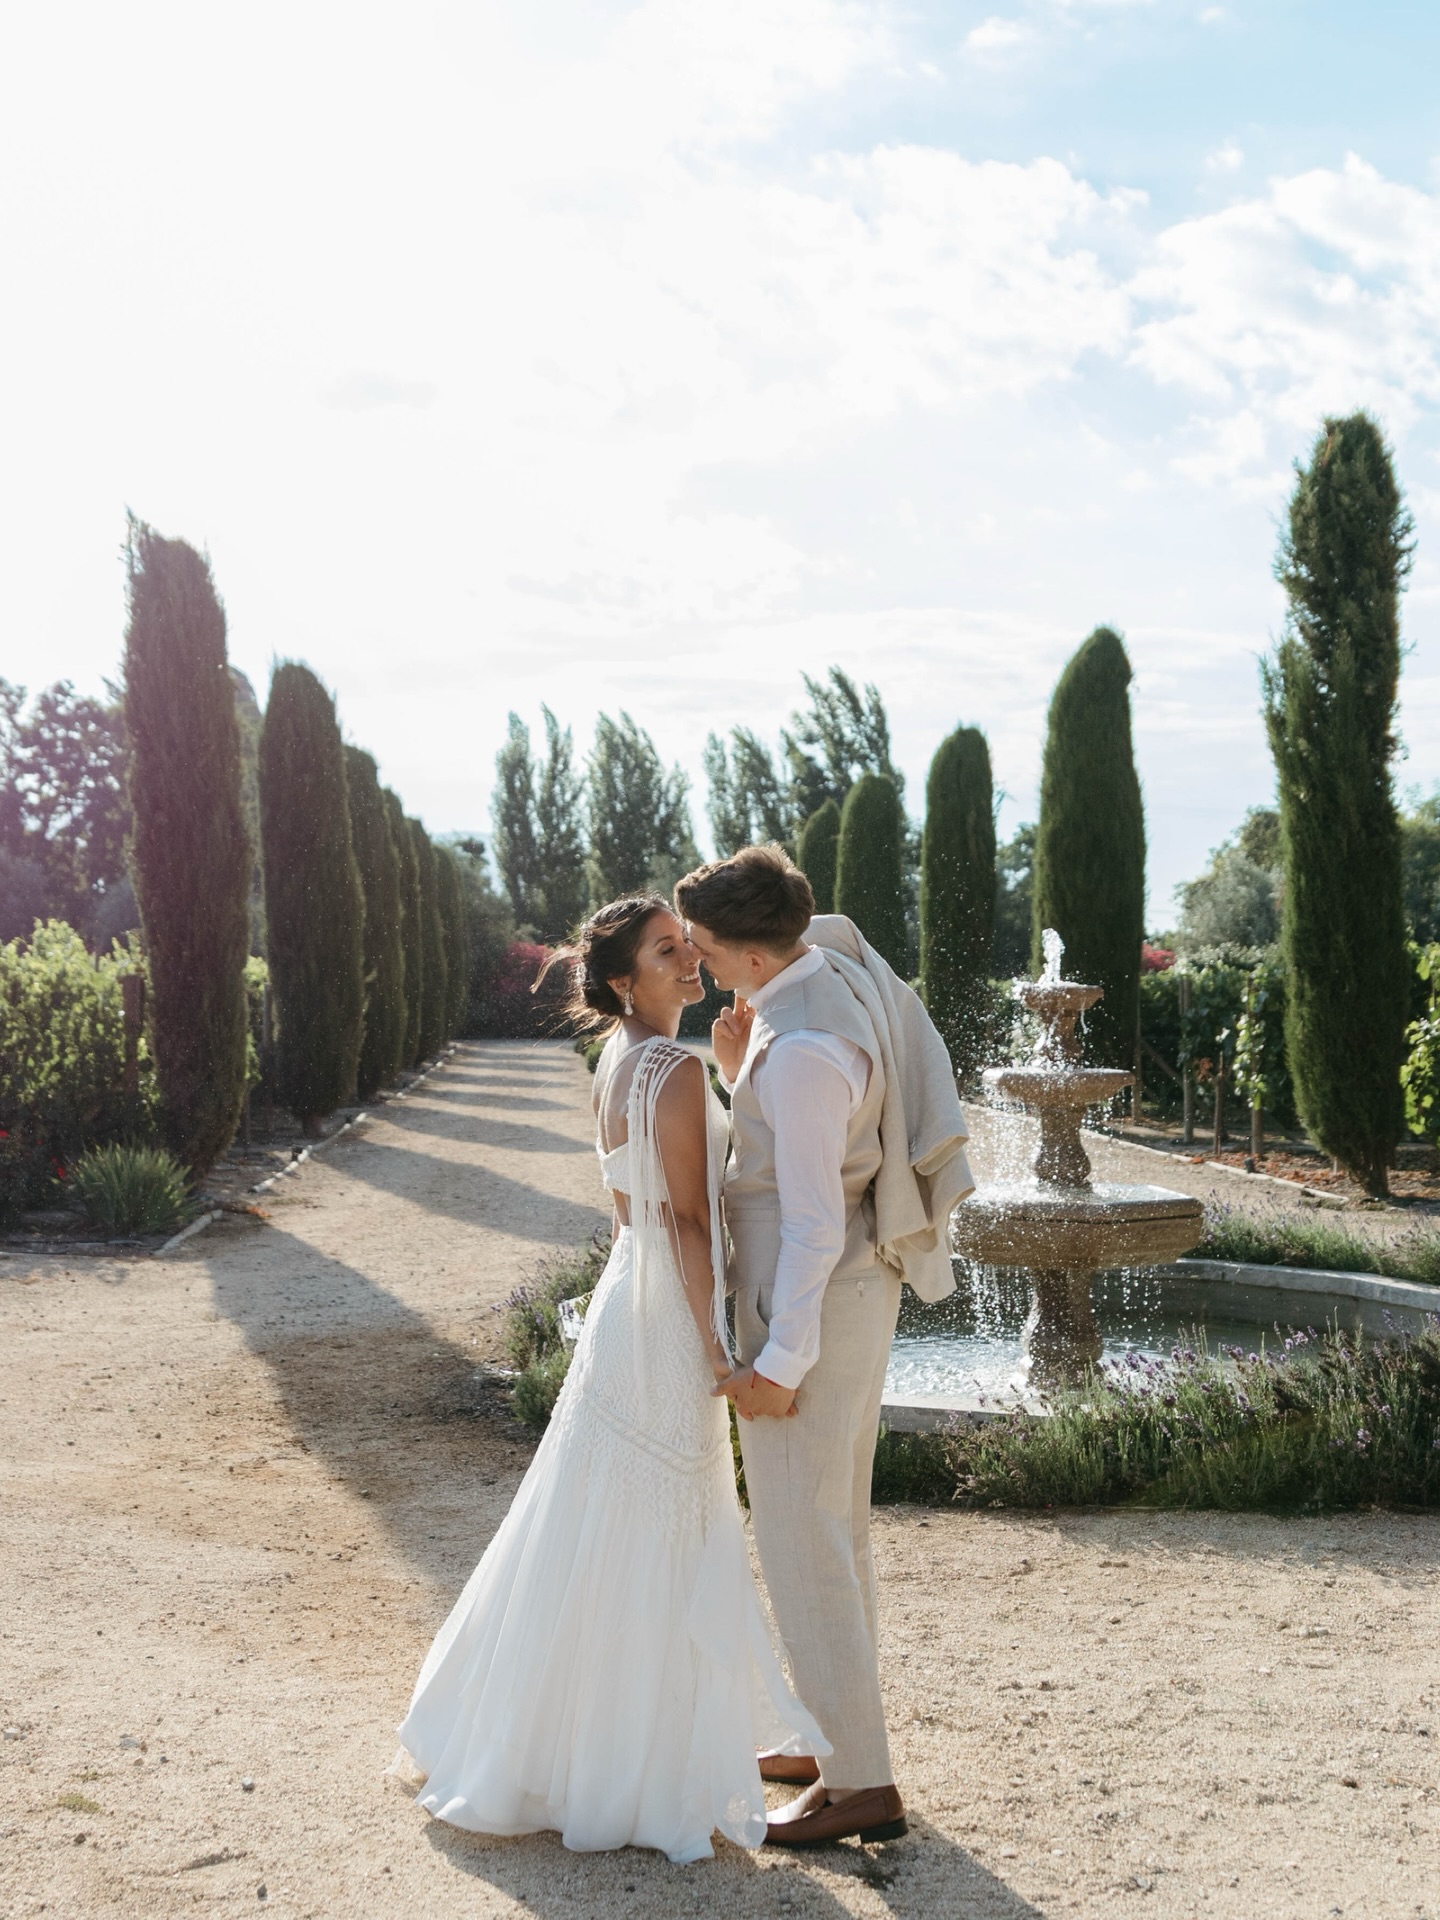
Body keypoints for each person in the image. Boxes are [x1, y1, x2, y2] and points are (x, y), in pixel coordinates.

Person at [394, 894, 826, 1864]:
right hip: (665, 1308)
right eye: (667, 952)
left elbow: (650, 1200)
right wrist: (716, 1345)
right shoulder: (664, 1067)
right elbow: (685, 1221)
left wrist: (726, 1075)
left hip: (627, 1299)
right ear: (625, 979)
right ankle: (634, 1769)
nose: (688, 960)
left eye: (686, 945)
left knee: (600, 1518)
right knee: (655, 1522)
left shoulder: (627, 1059)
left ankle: (578, 1748)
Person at [677, 845, 971, 1849]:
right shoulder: (827, 974)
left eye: (710, 950)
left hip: (812, 1307)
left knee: (803, 1542)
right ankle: (828, 1739)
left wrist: (774, 1367)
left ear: (752, 953)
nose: (706, 969)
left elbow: (809, 1223)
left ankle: (860, 1785)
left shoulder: (803, 1053)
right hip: (853, 1294)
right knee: (831, 1534)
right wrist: (735, 1070)